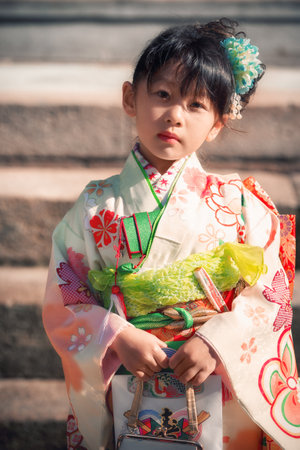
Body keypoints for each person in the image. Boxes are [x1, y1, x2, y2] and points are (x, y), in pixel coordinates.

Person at [43, 18, 299, 450]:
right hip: (130, 371)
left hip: (219, 376)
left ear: (217, 123)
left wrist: (218, 341)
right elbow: (66, 292)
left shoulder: (240, 203)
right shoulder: (94, 207)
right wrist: (117, 335)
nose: (175, 115)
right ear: (131, 97)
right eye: (162, 94)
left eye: (197, 105)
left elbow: (269, 292)